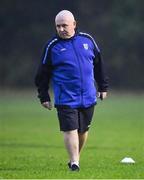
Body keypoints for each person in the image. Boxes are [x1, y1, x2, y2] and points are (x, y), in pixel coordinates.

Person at [35, 10, 108, 171]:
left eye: (64, 25)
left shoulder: (87, 40)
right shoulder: (52, 46)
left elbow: (99, 64)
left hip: (88, 96)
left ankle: (75, 158)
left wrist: (103, 86)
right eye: (58, 26)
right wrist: (44, 95)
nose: (61, 29)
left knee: (83, 131)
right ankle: (75, 163)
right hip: (65, 97)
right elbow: (42, 74)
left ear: (74, 24)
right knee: (70, 129)